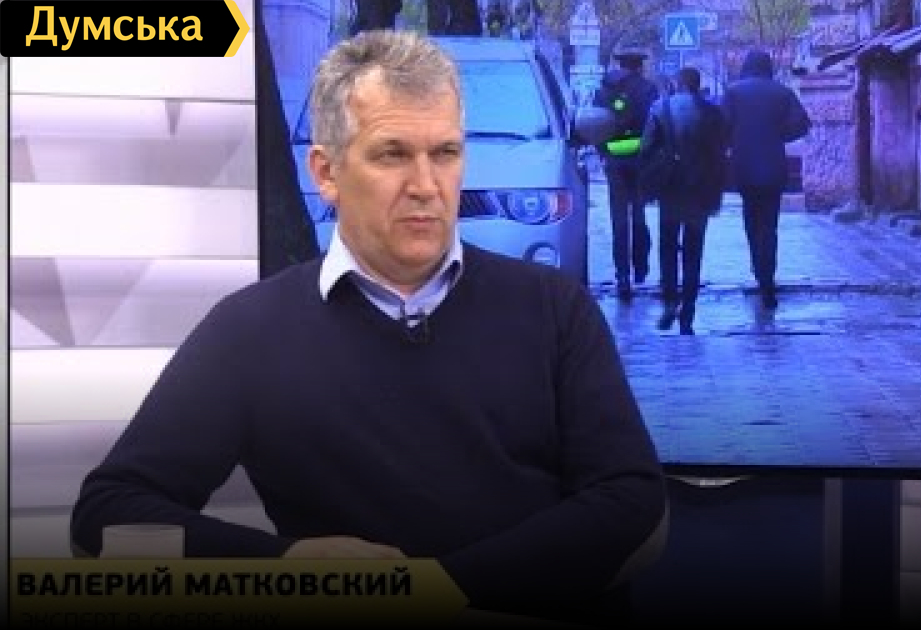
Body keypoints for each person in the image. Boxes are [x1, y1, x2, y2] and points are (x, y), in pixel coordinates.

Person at [70, 29, 667, 625]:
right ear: (326, 172)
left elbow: (630, 499)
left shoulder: (554, 308)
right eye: (392, 155)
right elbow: (108, 512)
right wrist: (284, 566)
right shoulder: (250, 330)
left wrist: (443, 587)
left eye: (445, 153)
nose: (427, 186)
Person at [639, 67, 727, 335]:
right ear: (698, 85)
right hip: (701, 188)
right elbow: (720, 150)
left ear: (677, 84)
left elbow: (646, 147)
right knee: (693, 249)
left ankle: (669, 301)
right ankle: (688, 312)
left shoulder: (660, 108)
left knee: (667, 246)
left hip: (670, 187)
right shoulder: (712, 112)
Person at [721, 49, 811, 309]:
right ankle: (768, 278)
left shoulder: (733, 92)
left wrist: (734, 141)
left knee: (751, 219)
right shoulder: (782, 92)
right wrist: (778, 135)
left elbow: (721, 127)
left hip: (744, 166)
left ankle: (758, 267)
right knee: (770, 225)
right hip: (774, 165)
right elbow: (802, 124)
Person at [591, 47, 659, 301]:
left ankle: (622, 276)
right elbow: (655, 124)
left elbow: (595, 124)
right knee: (639, 214)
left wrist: (604, 152)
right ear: (639, 65)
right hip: (640, 159)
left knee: (618, 219)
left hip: (614, 160)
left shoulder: (603, 90)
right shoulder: (648, 89)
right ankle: (640, 268)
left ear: (620, 64)